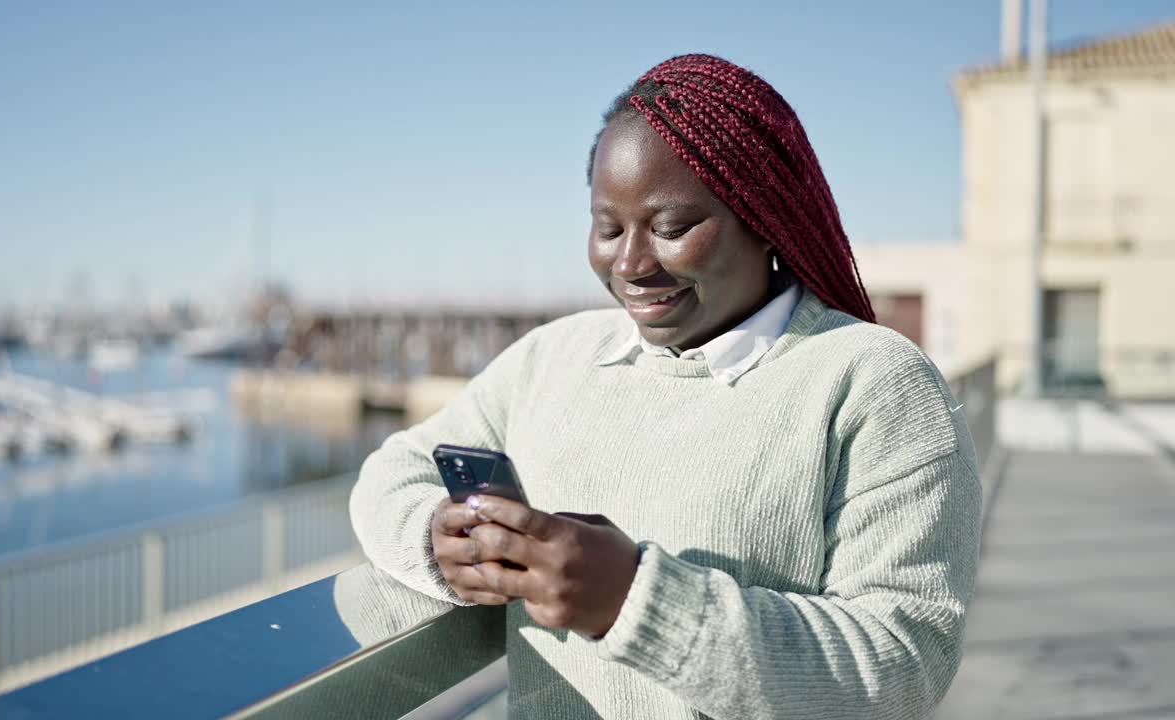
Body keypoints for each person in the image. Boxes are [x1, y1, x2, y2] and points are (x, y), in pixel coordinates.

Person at [349, 53, 981, 719]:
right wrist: (436, 541)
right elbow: (393, 470)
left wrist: (635, 601)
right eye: (608, 227)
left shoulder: (875, 384)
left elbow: (904, 664)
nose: (630, 264)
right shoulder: (554, 358)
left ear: (766, 217)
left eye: (672, 228)